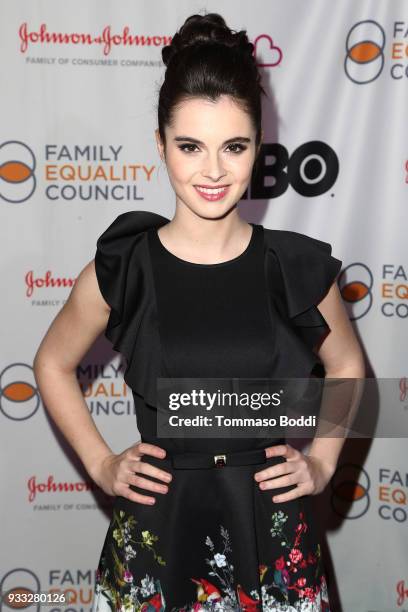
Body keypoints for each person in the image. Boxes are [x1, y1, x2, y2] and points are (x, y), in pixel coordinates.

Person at [33, 12, 365, 612]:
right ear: (160, 144)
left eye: (234, 146)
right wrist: (103, 464)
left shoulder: (292, 269)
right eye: (191, 146)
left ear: (259, 147)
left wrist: (320, 462)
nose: (213, 171)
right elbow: (52, 364)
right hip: (162, 529)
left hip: (272, 529)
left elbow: (348, 369)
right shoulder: (127, 266)